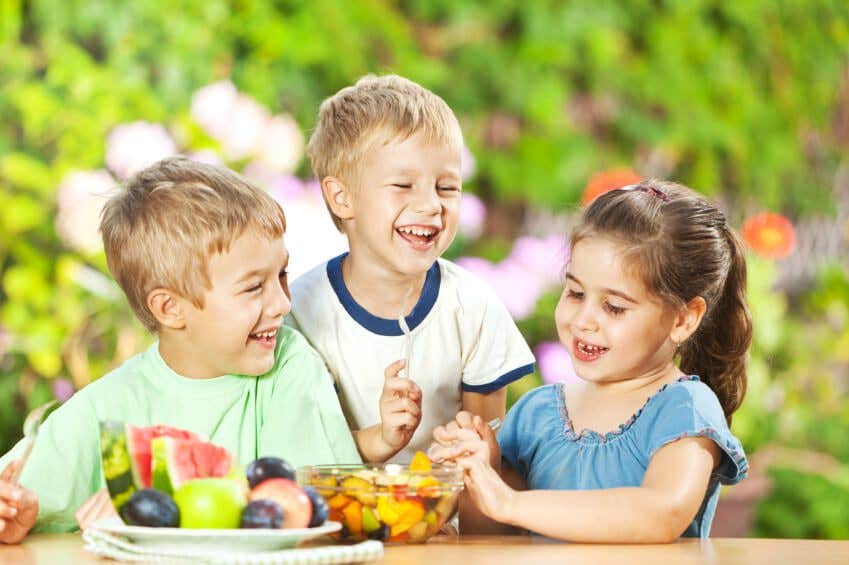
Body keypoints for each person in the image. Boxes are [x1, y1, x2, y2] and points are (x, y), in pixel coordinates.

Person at [0, 157, 360, 542]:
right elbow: (17, 494)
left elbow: (322, 511)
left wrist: (159, 512)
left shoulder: (290, 365)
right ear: (171, 309)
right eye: (254, 287)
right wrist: (14, 516)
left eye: (282, 275)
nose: (282, 304)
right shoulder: (104, 406)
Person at [431, 180, 751, 541]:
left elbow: (661, 513)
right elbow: (490, 539)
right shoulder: (537, 415)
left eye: (614, 307)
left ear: (682, 319)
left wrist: (510, 502)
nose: (584, 320)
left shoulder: (684, 411)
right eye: (575, 292)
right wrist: (482, 474)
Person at [288, 75, 535, 463]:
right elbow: (302, 448)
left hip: (443, 521)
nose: (431, 205)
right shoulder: (301, 313)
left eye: (447, 187)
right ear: (342, 197)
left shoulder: (473, 308)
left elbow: (484, 459)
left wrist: (461, 525)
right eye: (403, 185)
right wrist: (380, 437)